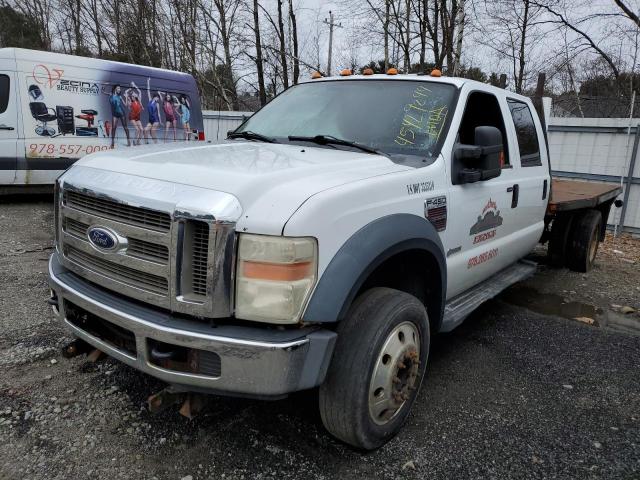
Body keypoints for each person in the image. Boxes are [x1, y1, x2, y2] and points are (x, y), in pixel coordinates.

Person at [144, 78, 161, 144]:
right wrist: (148, 81)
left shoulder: (157, 104)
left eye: (158, 98)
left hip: (156, 120)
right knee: (145, 130)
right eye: (158, 98)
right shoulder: (150, 100)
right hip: (150, 120)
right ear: (155, 97)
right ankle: (146, 143)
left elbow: (159, 113)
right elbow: (148, 90)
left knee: (152, 132)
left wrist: (161, 121)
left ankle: (156, 144)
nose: (158, 99)